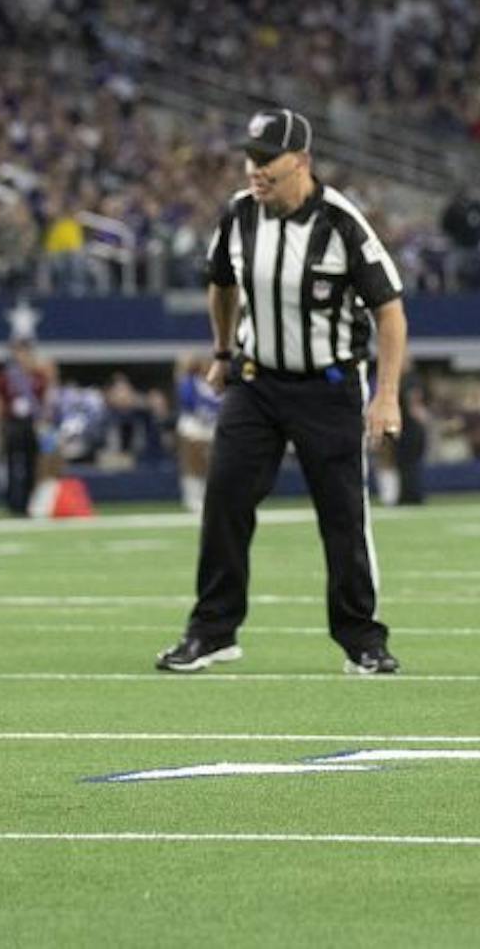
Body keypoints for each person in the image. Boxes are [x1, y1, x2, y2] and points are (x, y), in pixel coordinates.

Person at [157, 108, 407, 676]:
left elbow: (390, 312)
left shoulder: (342, 223)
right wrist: (222, 352)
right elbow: (220, 284)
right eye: (251, 159)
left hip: (330, 384)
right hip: (257, 381)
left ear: (301, 161)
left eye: (267, 160)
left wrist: (386, 394)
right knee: (224, 500)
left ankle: (361, 639)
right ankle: (213, 631)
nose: (255, 170)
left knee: (342, 515)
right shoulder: (239, 216)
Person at [0, 337, 51, 518]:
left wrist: (44, 422)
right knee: (11, 465)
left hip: (31, 424)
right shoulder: (5, 376)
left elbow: (44, 402)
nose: (22, 356)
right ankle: (11, 502)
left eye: (25, 351)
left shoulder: (38, 377)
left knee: (31, 465)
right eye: (19, 352)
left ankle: (28, 502)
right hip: (12, 424)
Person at [173, 355, 219, 514]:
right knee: (193, 465)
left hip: (213, 428)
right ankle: (192, 498)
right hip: (192, 427)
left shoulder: (216, 383)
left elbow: (221, 403)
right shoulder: (189, 382)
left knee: (213, 465)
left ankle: (211, 498)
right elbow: (189, 402)